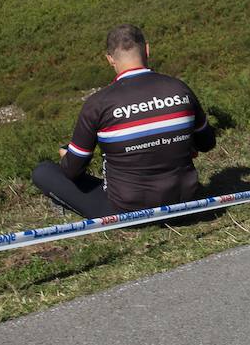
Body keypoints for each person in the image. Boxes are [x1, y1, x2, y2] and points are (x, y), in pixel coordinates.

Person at [32, 25, 215, 218]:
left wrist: (67, 157)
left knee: (43, 172)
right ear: (147, 50)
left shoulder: (98, 103)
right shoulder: (179, 88)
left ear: (110, 59)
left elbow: (72, 171)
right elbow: (207, 143)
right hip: (187, 201)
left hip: (127, 212)